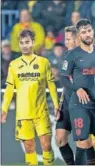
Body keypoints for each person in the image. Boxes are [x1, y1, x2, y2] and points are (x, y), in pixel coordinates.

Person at [1, 29, 59, 165]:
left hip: (41, 112)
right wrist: (4, 109)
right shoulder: (14, 65)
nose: (24, 45)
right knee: (29, 147)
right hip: (23, 113)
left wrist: (56, 106)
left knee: (46, 145)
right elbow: (9, 89)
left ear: (32, 42)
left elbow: (51, 86)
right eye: (21, 43)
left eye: (27, 42)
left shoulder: (44, 62)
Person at [60, 19, 95, 165]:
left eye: (89, 31)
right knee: (83, 142)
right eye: (83, 32)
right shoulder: (72, 55)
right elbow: (63, 79)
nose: (87, 34)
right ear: (79, 35)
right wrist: (78, 88)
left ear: (93, 31)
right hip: (79, 105)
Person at [55, 26, 77, 165]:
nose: (66, 42)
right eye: (65, 39)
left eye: (68, 39)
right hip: (67, 102)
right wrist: (59, 104)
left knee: (87, 142)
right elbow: (65, 83)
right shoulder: (65, 56)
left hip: (82, 103)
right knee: (60, 139)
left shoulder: (87, 55)